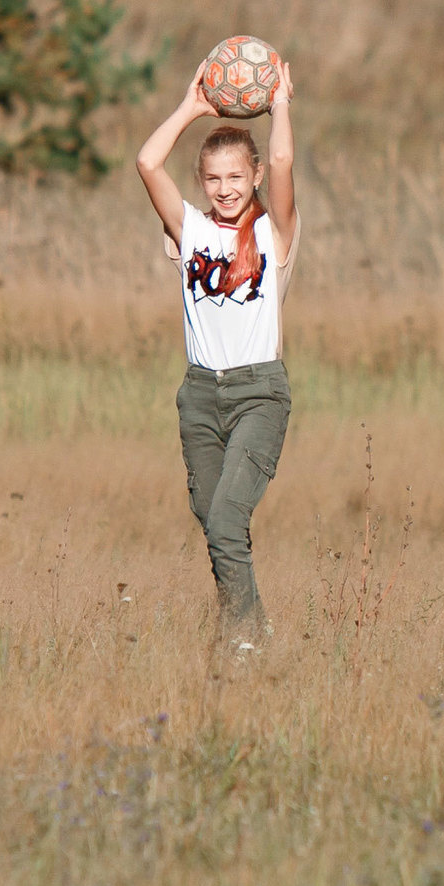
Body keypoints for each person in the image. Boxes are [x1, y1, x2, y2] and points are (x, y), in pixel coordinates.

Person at [134, 58, 299, 651]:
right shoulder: (190, 230)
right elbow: (148, 163)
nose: (225, 189)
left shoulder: (273, 232)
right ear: (202, 183)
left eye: (236, 176)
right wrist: (192, 106)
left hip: (258, 393)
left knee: (228, 522)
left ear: (253, 176)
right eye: (213, 179)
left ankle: (245, 640)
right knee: (213, 519)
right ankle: (250, 620)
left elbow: (282, 159)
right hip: (201, 394)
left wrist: (279, 101)